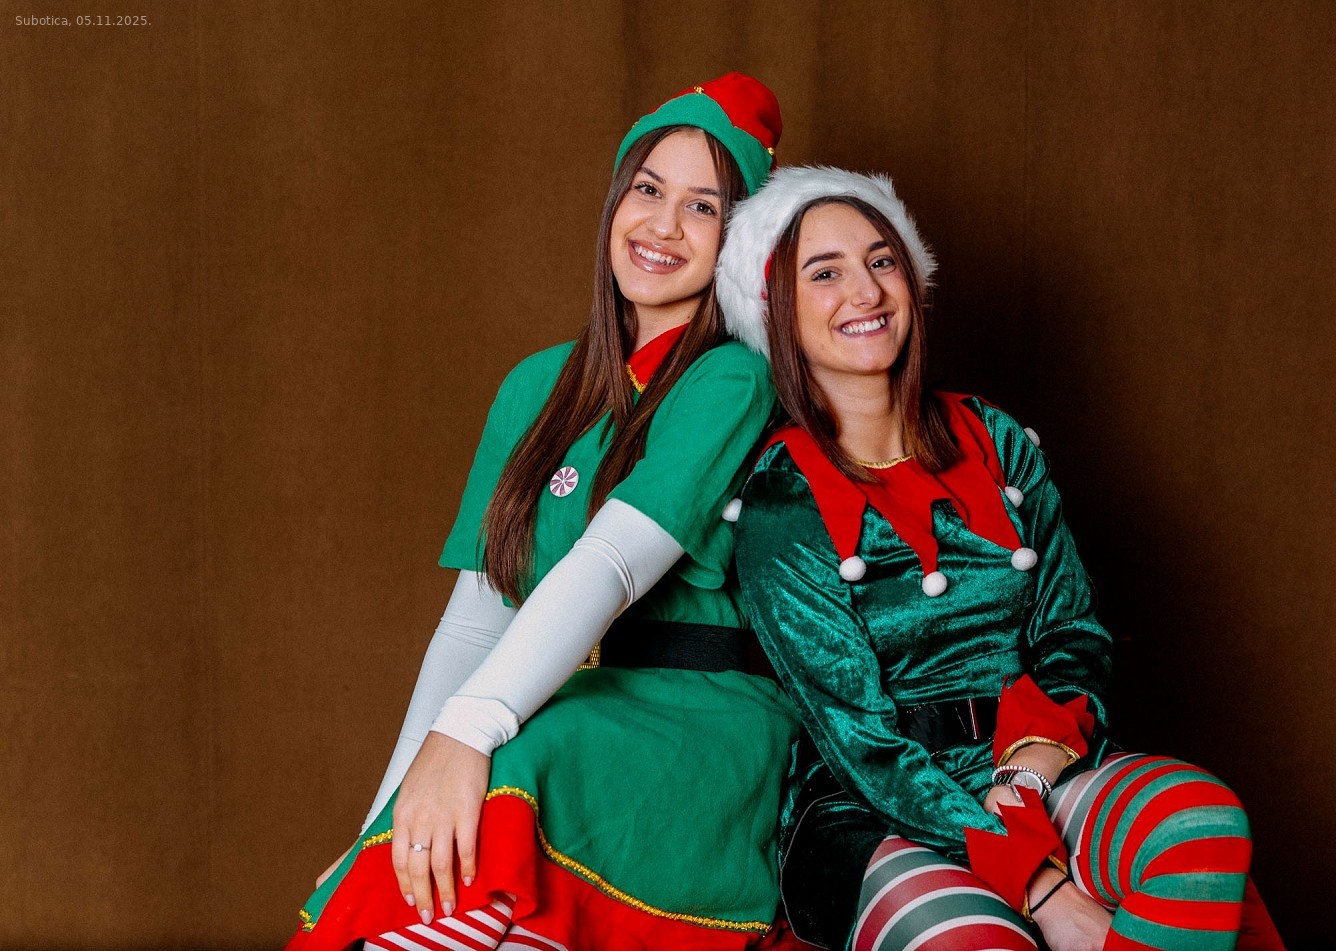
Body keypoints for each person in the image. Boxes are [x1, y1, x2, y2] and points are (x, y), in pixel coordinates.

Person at [287, 74, 805, 951]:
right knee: (411, 864)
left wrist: (471, 729)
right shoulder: (535, 385)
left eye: (704, 207)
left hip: (698, 722)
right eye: (647, 189)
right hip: (562, 706)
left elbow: (613, 563)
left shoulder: (733, 378)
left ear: (739, 242)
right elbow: (475, 620)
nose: (663, 225)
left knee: (510, 776)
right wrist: (386, 818)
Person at [717, 167, 1284, 951]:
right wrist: (1041, 883)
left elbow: (1073, 634)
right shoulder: (782, 505)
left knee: (1198, 822)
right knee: (975, 941)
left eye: (882, 261)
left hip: (1030, 760)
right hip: (875, 801)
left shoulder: (995, 439)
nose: (866, 290)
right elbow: (862, 745)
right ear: (776, 309)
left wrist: (1035, 765)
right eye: (825, 273)